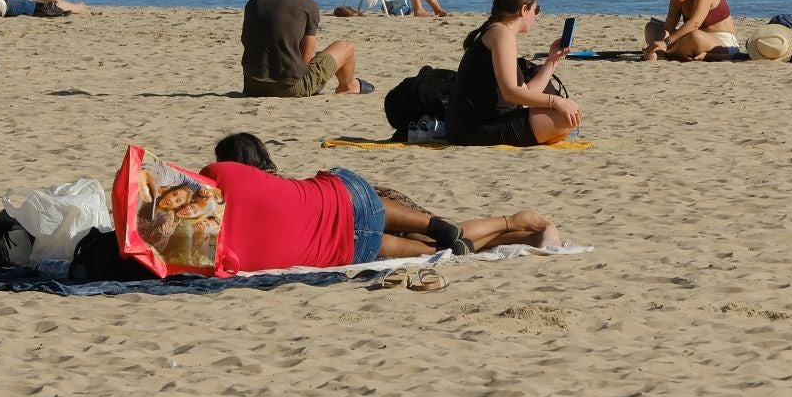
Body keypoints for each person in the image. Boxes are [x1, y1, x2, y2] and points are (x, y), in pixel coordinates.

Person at [196, 132, 561, 269]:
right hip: (347, 197)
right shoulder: (268, 184)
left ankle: (499, 230)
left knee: (429, 248)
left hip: (352, 247)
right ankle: (509, 226)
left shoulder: (220, 182)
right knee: (380, 209)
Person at [448, 0, 582, 146]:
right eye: (536, 9)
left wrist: (552, 60)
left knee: (568, 112)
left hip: (472, 125)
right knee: (563, 117)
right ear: (524, 9)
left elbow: (527, 94)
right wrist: (556, 101)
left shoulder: (497, 30)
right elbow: (510, 93)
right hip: (476, 128)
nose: (536, 15)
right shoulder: (501, 33)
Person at [242, 0, 367, 96]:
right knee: (345, 46)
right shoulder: (308, 5)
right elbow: (306, 58)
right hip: (289, 87)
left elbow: (246, 39)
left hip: (252, 85)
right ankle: (347, 86)